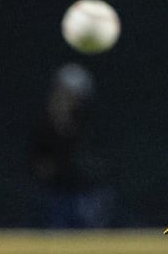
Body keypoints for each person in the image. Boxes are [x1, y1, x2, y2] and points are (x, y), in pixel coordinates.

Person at [29, 63, 113, 228]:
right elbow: (41, 167)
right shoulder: (43, 128)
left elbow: (97, 166)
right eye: (60, 92)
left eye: (69, 94)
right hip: (53, 198)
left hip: (88, 197)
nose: (63, 98)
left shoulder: (92, 129)